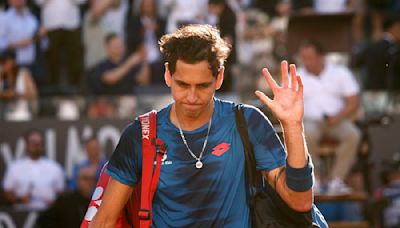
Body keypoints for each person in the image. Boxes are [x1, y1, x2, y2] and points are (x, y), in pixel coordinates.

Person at [90, 24, 313, 227]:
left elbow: (300, 201)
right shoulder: (141, 134)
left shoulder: (247, 122)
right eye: (183, 84)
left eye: (203, 86)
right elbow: (104, 221)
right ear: (168, 75)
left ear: (219, 78)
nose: (192, 96)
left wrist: (293, 126)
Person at [297, 40, 361, 193]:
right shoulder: (297, 74)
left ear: (321, 57)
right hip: (311, 121)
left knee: (353, 135)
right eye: (303, 58)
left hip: (338, 120)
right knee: (306, 135)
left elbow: (353, 100)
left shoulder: (340, 72)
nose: (306, 62)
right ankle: (315, 180)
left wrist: (338, 116)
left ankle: (336, 181)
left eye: (310, 57)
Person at [2, 129, 65, 211]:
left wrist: (56, 202)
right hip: (21, 213)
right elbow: (7, 192)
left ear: (42, 145)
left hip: (48, 213)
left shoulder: (55, 167)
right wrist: (19, 200)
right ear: (26, 145)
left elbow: (62, 193)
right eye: (33, 142)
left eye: (39, 143)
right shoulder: (14, 167)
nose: (36, 145)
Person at [0, 49, 38, 121]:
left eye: (6, 62)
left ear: (14, 62)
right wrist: (3, 95)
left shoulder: (23, 74)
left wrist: (17, 95)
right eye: (2, 62)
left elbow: (33, 95)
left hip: (21, 113)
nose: (4, 64)